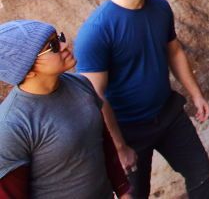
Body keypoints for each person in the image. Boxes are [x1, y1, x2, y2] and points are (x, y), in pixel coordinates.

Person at [74, 0, 209, 198]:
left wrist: (196, 94)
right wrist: (119, 147)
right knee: (137, 194)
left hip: (168, 115)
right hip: (129, 130)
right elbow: (95, 96)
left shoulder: (160, 8)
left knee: (200, 171)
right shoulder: (96, 31)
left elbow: (175, 51)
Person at [0, 19, 131, 198]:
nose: (64, 45)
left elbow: (103, 142)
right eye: (53, 46)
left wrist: (123, 190)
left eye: (59, 37)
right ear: (27, 70)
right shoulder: (12, 125)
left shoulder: (81, 84)